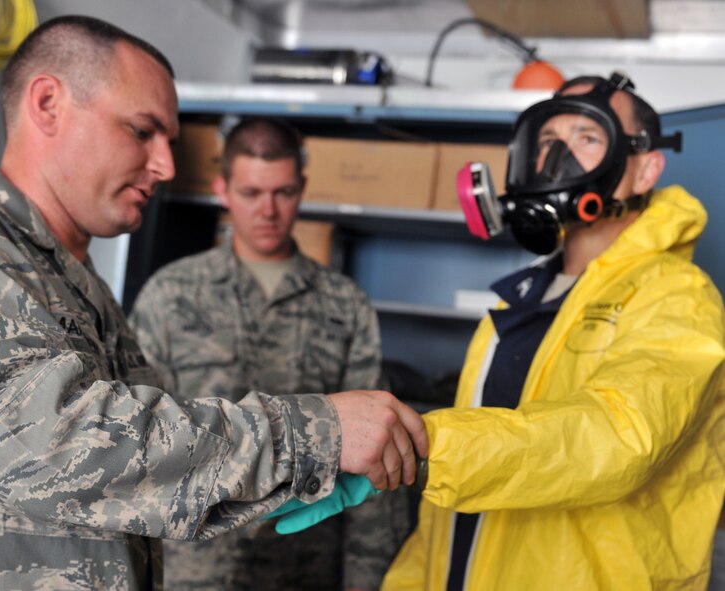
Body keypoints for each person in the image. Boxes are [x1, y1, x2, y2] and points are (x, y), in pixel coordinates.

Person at [0, 15, 428, 590]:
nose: (166, 165)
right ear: (47, 104)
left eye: (168, 140)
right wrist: (313, 435)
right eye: (142, 131)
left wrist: (314, 465)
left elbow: (138, 490)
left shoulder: (80, 291)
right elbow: (38, 443)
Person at [271, 73, 725, 591]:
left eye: (587, 139)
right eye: (549, 141)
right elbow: (454, 517)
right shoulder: (520, 300)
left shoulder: (677, 294)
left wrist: (423, 445)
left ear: (645, 170)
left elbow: (619, 439)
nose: (559, 159)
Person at [131, 117, 412, 591]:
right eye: (251, 193)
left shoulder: (345, 305)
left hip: (304, 566)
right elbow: (138, 438)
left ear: (302, 188)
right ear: (223, 189)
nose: (268, 210)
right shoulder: (170, 294)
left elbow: (377, 458)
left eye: (282, 192)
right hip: (192, 570)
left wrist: (368, 578)